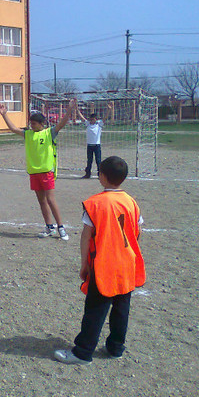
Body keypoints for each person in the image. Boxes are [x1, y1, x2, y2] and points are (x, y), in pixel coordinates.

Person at [54, 156, 145, 365]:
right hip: (126, 263)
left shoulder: (95, 203)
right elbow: (137, 231)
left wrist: (84, 264)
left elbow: (86, 236)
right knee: (122, 309)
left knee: (95, 309)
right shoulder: (131, 202)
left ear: (102, 176)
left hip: (104, 264)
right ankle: (116, 348)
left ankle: (83, 352)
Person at [0, 99, 76, 240]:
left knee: (50, 200)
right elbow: (13, 129)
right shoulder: (28, 134)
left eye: (34, 123)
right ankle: (49, 227)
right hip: (34, 173)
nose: (31, 125)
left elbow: (62, 124)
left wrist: (69, 110)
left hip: (47, 172)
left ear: (42, 124)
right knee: (41, 202)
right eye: (30, 123)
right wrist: (4, 115)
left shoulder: (49, 133)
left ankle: (61, 227)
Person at [76, 101, 113, 178]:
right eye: (91, 119)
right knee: (89, 161)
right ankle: (88, 174)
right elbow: (81, 117)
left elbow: (105, 117)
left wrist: (109, 110)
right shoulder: (88, 124)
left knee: (98, 161)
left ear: (96, 119)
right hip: (89, 145)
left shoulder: (99, 124)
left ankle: (100, 174)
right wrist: (77, 109)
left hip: (97, 145)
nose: (92, 121)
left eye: (93, 119)